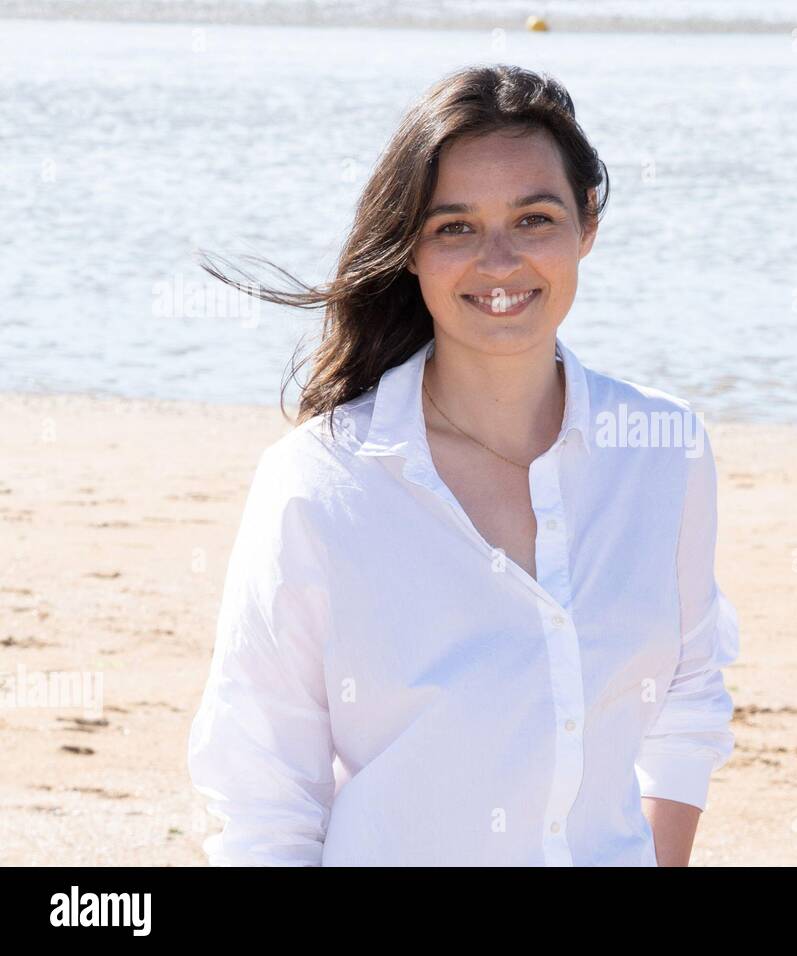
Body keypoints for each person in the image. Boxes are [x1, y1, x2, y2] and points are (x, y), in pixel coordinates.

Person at [186, 64, 740, 866]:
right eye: (455, 228)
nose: (499, 260)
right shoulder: (321, 483)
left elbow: (688, 696)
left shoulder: (663, 452)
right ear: (410, 248)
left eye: (534, 218)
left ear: (587, 225)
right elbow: (260, 793)